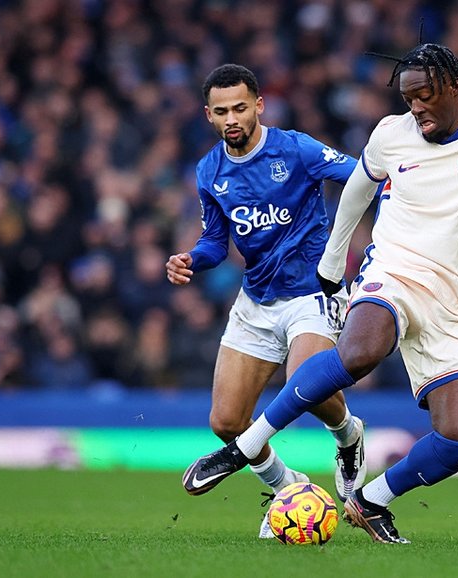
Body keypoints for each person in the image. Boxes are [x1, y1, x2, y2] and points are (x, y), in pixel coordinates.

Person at [182, 45, 458, 543]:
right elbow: (356, 189)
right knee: (358, 351)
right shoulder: (391, 134)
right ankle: (245, 447)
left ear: (454, 86)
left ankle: (370, 500)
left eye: (423, 95)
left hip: (450, 299)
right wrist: (333, 264)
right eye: (407, 97)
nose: (414, 107)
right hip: (390, 270)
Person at [168, 64, 367, 538]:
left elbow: (363, 176)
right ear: (208, 116)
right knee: (226, 421)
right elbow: (217, 241)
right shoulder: (209, 170)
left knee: (305, 381)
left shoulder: (296, 149)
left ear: (259, 105)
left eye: (240, 107)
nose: (232, 118)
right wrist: (193, 259)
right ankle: (287, 488)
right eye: (222, 111)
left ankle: (349, 436)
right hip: (255, 301)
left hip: (311, 295)